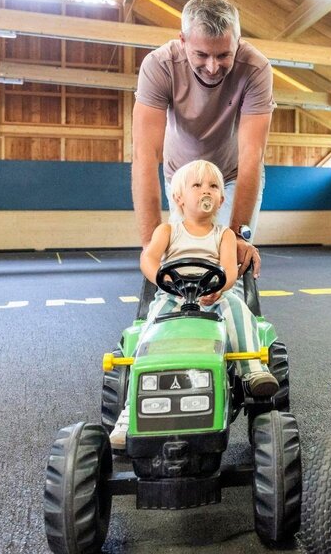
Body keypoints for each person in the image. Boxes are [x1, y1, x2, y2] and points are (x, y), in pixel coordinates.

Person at [110, 160, 279, 449]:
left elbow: (227, 268)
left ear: (221, 199)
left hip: (213, 296)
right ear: (179, 197)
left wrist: (220, 288)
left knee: (238, 309)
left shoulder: (223, 234)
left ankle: (252, 370)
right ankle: (128, 413)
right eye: (198, 185)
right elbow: (148, 259)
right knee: (146, 333)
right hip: (172, 296)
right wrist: (162, 281)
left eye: (213, 186)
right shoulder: (168, 231)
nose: (207, 191)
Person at [132, 0, 275, 279]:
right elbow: (145, 156)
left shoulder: (257, 69)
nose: (212, 67)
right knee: (181, 262)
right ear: (183, 41)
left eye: (223, 55)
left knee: (228, 259)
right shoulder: (159, 66)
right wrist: (149, 242)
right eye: (201, 54)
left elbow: (252, 155)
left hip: (232, 175)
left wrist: (237, 235)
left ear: (238, 41)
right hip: (181, 177)